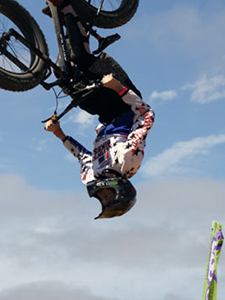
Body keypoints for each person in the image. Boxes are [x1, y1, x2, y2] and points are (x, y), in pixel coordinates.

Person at [45, 73, 155, 219]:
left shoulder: (93, 175)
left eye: (102, 200)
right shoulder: (128, 162)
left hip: (104, 116)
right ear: (119, 189)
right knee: (83, 61)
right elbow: (147, 116)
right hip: (123, 105)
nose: (101, 195)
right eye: (107, 196)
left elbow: (82, 156)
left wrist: (58, 133)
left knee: (68, 81)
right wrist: (119, 88)